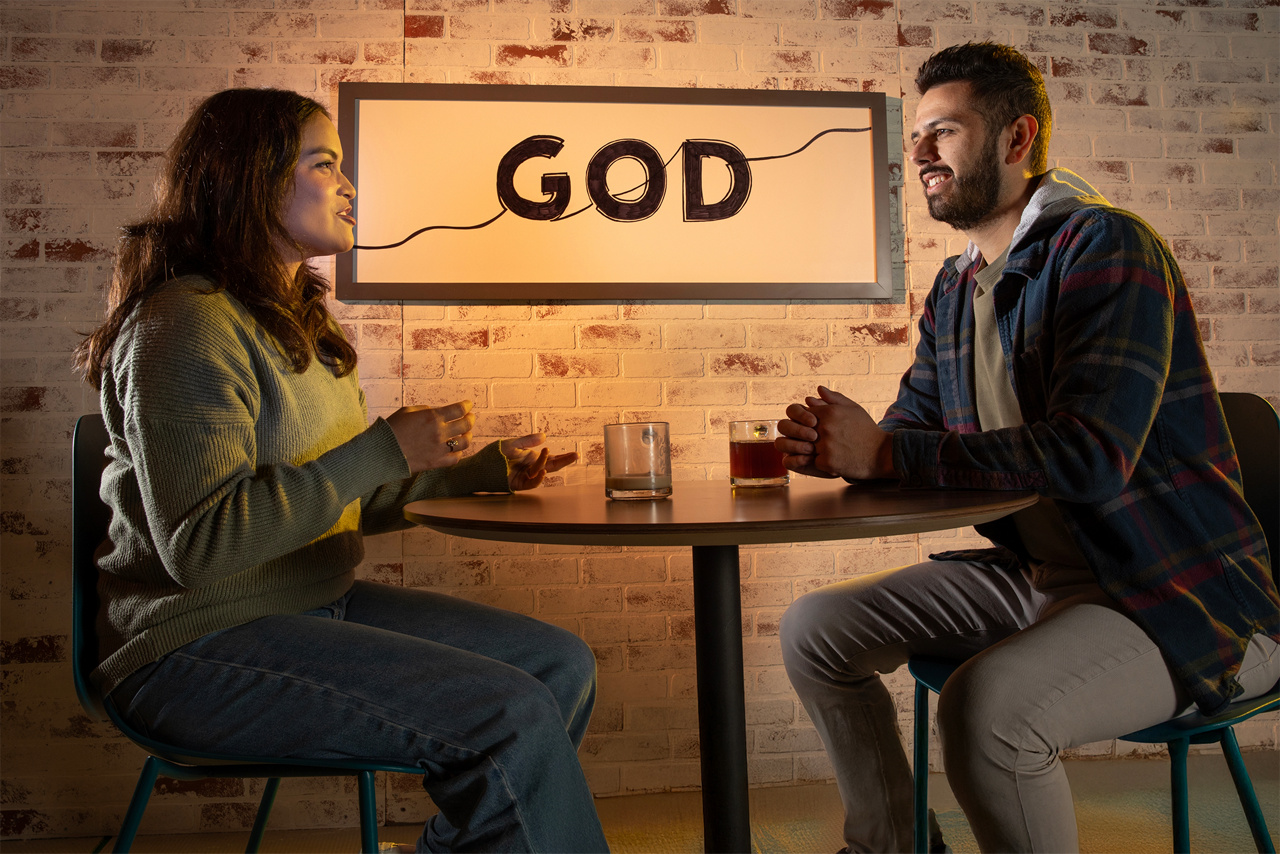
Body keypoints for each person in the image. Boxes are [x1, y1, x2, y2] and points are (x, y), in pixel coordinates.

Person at [73, 88, 609, 853]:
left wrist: (475, 471)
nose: (350, 185)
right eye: (326, 164)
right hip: (192, 647)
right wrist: (384, 448)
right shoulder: (185, 324)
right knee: (509, 711)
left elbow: (338, 498)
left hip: (313, 602)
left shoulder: (295, 324)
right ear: (251, 179)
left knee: (559, 664)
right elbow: (201, 547)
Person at [776, 42, 1280, 854]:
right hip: (1043, 579)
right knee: (816, 628)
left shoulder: (1106, 249)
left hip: (1178, 593)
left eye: (945, 131)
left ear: (1017, 141)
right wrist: (840, 449)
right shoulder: (956, 288)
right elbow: (911, 436)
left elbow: (1089, 456)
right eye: (918, 135)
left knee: (988, 709)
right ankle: (892, 845)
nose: (919, 153)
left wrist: (882, 457)